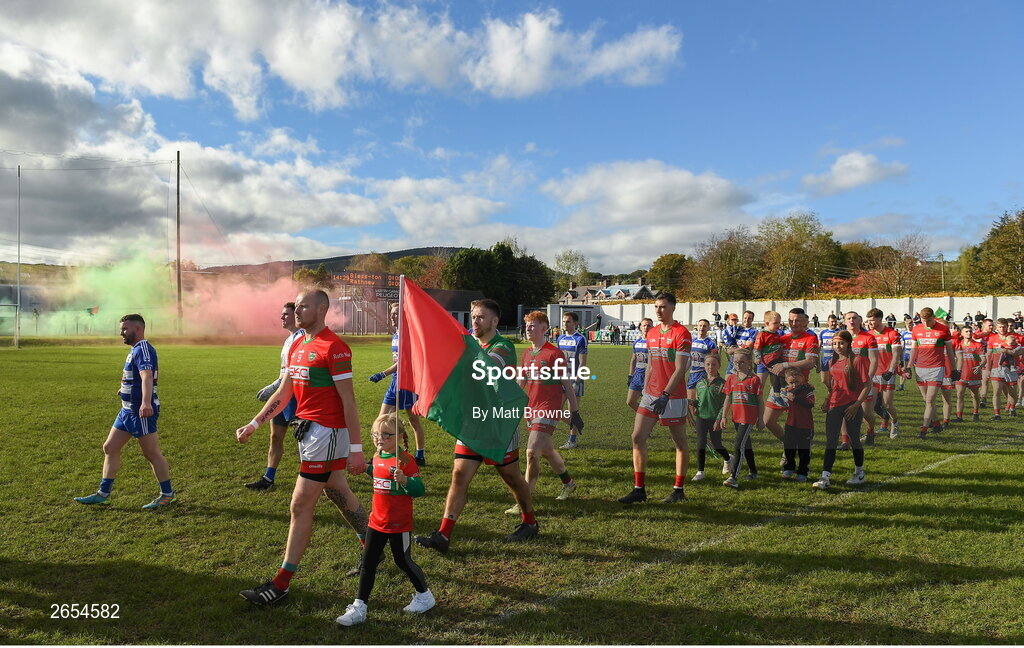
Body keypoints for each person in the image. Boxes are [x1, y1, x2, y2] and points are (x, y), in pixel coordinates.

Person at [236, 289, 367, 605]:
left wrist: (358, 448)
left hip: (328, 433)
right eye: (296, 305)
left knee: (300, 504)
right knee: (338, 492)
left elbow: (348, 401)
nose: (297, 310)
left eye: (304, 306)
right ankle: (373, 545)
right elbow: (283, 392)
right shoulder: (298, 345)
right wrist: (254, 424)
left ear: (322, 309)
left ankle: (280, 585)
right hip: (309, 434)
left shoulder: (335, 348)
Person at [416, 299, 538, 553]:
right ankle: (443, 535)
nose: (475, 321)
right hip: (473, 421)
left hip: (497, 423)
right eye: (473, 316)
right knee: (459, 476)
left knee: (512, 477)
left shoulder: (503, 346)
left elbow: (487, 366)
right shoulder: (468, 345)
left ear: (494, 322)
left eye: (481, 317)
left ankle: (530, 522)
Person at [336, 414, 434, 627]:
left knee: (402, 561)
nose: (379, 439)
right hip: (376, 522)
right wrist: (366, 468)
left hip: (398, 524)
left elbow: (419, 490)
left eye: (386, 435)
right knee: (368, 563)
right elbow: (378, 471)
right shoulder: (379, 454)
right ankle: (359, 606)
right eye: (376, 434)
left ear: (399, 436)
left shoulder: (405, 461)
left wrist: (406, 480)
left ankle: (424, 596)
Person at [74, 314, 175, 509]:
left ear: (137, 329)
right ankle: (103, 494)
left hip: (139, 412)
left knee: (152, 453)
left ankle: (167, 494)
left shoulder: (143, 348)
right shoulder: (135, 349)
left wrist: (146, 403)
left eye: (124, 329)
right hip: (126, 411)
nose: (121, 332)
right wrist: (125, 389)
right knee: (110, 447)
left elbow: (146, 377)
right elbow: (138, 377)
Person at [618, 293, 692, 504]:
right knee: (637, 436)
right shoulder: (652, 332)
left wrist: (666, 394)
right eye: (656, 307)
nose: (659, 311)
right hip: (651, 394)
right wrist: (646, 390)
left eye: (663, 307)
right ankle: (639, 489)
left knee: (679, 442)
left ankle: (678, 489)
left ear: (673, 308)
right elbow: (650, 363)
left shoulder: (682, 333)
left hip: (674, 396)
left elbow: (680, 369)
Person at [517, 311, 584, 505]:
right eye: (527, 325)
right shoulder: (528, 353)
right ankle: (569, 483)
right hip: (532, 408)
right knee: (546, 450)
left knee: (531, 453)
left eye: (533, 325)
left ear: (544, 329)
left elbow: (567, 385)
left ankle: (525, 499)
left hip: (549, 408)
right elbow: (521, 382)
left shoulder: (554, 353)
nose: (528, 329)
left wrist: (574, 412)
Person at [246, 302, 304, 490]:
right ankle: (268, 478)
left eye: (285, 314)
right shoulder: (288, 339)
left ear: (295, 315)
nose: (282, 317)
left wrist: (273, 387)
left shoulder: (302, 338)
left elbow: (294, 373)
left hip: (296, 398)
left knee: (303, 440)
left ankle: (315, 477)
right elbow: (284, 373)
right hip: (283, 397)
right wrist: (275, 385)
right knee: (275, 436)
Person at [368, 303, 427, 465]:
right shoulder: (396, 334)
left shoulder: (408, 335)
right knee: (381, 419)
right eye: (392, 314)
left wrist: (382, 374)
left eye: (396, 314)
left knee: (413, 421)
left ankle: (420, 455)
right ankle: (379, 453)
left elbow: (403, 362)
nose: (392, 317)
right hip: (394, 383)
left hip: (408, 384)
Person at [813, 331, 871, 490]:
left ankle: (859, 473)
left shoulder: (857, 360)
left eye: (841, 343)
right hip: (834, 404)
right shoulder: (832, 360)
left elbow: (867, 385)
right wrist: (828, 398)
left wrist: (856, 404)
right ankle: (825, 477)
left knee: (854, 439)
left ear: (848, 344)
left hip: (852, 405)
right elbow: (835, 384)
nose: (838, 347)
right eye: (835, 343)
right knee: (831, 441)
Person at [764, 308, 819, 465]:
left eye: (798, 320)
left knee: (798, 424)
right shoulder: (783, 338)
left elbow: (810, 362)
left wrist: (785, 365)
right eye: (791, 320)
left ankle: (796, 450)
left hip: (799, 389)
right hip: (779, 387)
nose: (794, 323)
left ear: (806, 321)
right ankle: (789, 445)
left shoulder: (811, 338)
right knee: (768, 421)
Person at [909, 307, 957, 437]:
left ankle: (923, 429)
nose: (926, 324)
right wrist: (908, 366)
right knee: (926, 400)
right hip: (920, 368)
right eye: (923, 321)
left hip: (936, 368)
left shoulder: (943, 329)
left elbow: (950, 351)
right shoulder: (916, 329)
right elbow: (914, 350)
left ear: (933, 318)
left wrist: (954, 369)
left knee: (930, 400)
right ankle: (936, 423)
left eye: (928, 320)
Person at [719, 349, 762, 488]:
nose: (737, 364)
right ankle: (753, 471)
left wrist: (761, 419)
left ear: (749, 362)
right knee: (746, 444)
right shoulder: (731, 378)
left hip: (748, 418)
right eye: (735, 361)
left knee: (738, 446)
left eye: (741, 361)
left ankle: (734, 477)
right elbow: (727, 398)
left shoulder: (754, 379)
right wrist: (724, 416)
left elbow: (760, 401)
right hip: (736, 417)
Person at [692, 355, 731, 481]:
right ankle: (700, 471)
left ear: (719, 366)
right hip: (701, 418)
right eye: (708, 364)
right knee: (700, 443)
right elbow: (699, 401)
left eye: (714, 365)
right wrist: (691, 402)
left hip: (715, 419)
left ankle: (728, 459)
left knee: (717, 445)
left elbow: (723, 404)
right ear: (704, 365)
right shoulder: (699, 383)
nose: (710, 367)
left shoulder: (722, 384)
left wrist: (719, 419)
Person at [866, 308, 902, 440]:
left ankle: (895, 422)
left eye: (872, 320)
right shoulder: (868, 335)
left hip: (887, 373)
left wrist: (891, 370)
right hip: (873, 374)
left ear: (880, 319)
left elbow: (896, 354)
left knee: (887, 405)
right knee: (870, 405)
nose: (869, 323)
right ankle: (870, 432)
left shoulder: (892, 334)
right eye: (868, 320)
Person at [558, 312, 589, 449]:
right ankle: (577, 423)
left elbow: (583, 363)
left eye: (568, 321)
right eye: (564, 321)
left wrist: (577, 380)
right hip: (562, 378)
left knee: (572, 411)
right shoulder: (560, 338)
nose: (565, 323)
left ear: (575, 323)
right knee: (556, 410)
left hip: (575, 379)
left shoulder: (580, 338)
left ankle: (572, 440)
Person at [779, 367, 815, 482]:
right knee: (789, 447)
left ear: (803, 378)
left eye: (797, 382)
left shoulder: (807, 391)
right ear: (786, 381)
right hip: (791, 423)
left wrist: (794, 399)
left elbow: (810, 404)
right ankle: (789, 468)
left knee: (803, 450)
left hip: (805, 425)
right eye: (791, 382)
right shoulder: (788, 390)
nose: (794, 385)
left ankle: (803, 472)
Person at [987, 318, 1021, 420]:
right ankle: (997, 414)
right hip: (997, 368)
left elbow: (1018, 352)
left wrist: (1006, 350)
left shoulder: (1012, 338)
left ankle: (1012, 408)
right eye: (1000, 327)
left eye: (1004, 327)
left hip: (1011, 369)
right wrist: (988, 369)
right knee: (996, 391)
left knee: (1012, 391)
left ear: (1007, 327)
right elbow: (989, 355)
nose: (1002, 329)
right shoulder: (992, 338)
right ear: (996, 327)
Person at [954, 324, 984, 422]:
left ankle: (976, 413)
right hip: (961, 374)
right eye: (966, 331)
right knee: (959, 394)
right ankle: (959, 417)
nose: (969, 333)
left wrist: (979, 366)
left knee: (975, 395)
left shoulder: (977, 345)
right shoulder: (959, 344)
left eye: (970, 331)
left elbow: (983, 359)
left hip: (973, 374)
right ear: (961, 333)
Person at [687, 319, 719, 410]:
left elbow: (716, 359)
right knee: (690, 401)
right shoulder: (692, 341)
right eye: (700, 325)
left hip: (703, 374)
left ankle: (701, 421)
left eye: (704, 326)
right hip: (692, 374)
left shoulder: (710, 343)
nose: (702, 328)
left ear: (708, 328)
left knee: (700, 402)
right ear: (697, 327)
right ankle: (693, 423)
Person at [626, 318, 654, 412]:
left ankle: (647, 418)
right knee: (630, 401)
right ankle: (645, 416)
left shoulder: (654, 343)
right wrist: (630, 376)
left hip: (650, 376)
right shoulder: (636, 343)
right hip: (637, 375)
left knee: (650, 403)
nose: (646, 327)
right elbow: (633, 360)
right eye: (644, 325)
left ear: (652, 328)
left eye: (649, 325)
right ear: (640, 327)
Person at [818, 314, 842, 388]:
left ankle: (833, 394)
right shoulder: (823, 333)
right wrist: (817, 360)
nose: (834, 323)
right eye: (832, 322)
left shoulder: (840, 332)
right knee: (824, 380)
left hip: (836, 360)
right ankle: (831, 390)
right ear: (828, 322)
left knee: (835, 380)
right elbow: (819, 347)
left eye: (835, 322)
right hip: (825, 360)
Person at [899, 324, 914, 391]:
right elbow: (902, 344)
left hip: (914, 353)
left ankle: (921, 384)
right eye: (908, 325)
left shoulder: (914, 333)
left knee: (917, 369)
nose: (909, 326)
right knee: (903, 369)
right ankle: (901, 385)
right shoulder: (904, 334)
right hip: (906, 353)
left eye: (910, 325)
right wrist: (901, 353)